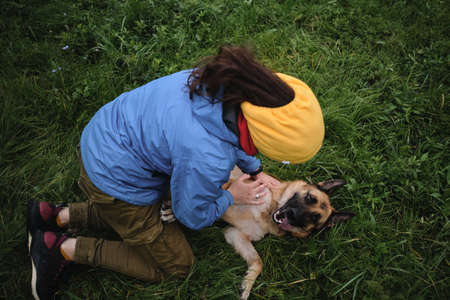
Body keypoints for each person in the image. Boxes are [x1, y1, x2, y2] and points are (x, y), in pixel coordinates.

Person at [27, 45, 325, 300]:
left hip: (105, 134)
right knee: (176, 266)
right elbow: (191, 215)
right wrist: (231, 194)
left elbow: (235, 136)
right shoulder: (207, 157)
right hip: (113, 177)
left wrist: (254, 168)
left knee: (147, 213)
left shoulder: (223, 85)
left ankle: (54, 215)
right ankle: (59, 249)